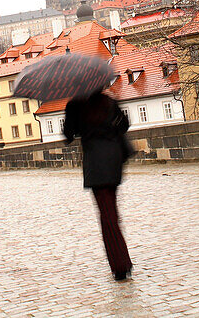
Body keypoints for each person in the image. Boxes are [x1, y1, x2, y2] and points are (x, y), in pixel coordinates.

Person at [63, 90, 134, 281]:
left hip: (96, 164)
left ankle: (121, 264)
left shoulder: (76, 105)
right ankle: (121, 261)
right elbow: (125, 125)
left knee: (107, 215)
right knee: (111, 211)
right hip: (114, 160)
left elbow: (68, 134)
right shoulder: (108, 102)